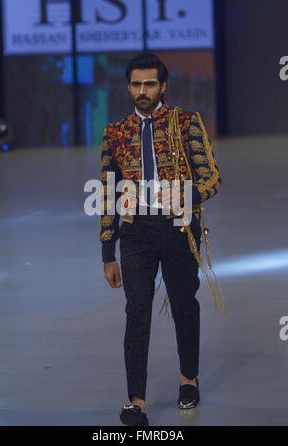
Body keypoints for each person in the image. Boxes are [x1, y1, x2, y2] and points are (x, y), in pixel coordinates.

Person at [99, 52, 222, 426]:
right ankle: (136, 402)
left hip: (180, 228)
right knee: (136, 311)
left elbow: (212, 178)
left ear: (163, 86)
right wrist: (108, 251)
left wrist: (187, 195)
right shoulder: (114, 132)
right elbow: (107, 194)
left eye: (149, 83)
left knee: (184, 304)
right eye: (136, 84)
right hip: (135, 233)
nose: (142, 91)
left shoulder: (187, 123)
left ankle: (189, 379)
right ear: (128, 86)